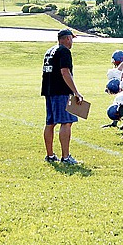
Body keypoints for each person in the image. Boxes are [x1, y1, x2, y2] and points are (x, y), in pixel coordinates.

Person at [41, 29, 84, 165]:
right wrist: (76, 92)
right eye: (71, 38)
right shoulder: (64, 51)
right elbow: (65, 72)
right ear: (66, 39)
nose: (72, 42)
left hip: (49, 90)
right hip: (61, 91)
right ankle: (65, 157)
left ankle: (50, 155)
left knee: (50, 123)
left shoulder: (50, 51)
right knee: (66, 122)